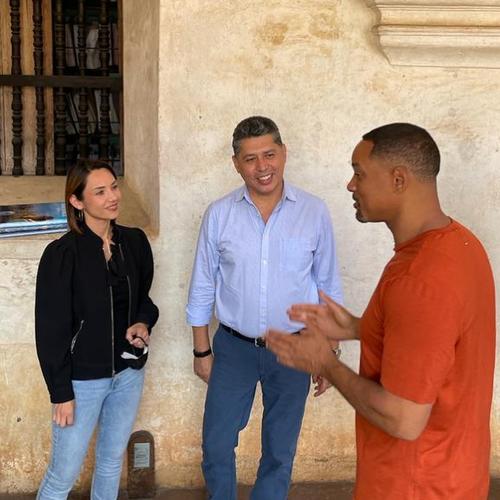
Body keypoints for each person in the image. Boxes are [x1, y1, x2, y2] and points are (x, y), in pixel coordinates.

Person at [266, 122, 496, 499]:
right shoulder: (461, 245)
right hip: (457, 474)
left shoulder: (421, 278)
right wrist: (360, 328)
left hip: (414, 485)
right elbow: (436, 341)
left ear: (398, 180)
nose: (350, 185)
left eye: (359, 173)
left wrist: (326, 364)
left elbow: (403, 419)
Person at [186, 116, 343, 499]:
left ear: (284, 153)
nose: (262, 167)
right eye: (250, 158)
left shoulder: (314, 211)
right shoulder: (219, 214)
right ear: (236, 164)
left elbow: (327, 284)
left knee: (279, 449)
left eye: (269, 154)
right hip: (233, 348)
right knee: (217, 444)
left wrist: (330, 349)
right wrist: (201, 351)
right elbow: (203, 284)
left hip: (294, 348)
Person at [35, 159, 159, 499]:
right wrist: (61, 392)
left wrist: (142, 322)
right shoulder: (61, 255)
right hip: (81, 382)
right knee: (62, 475)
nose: (112, 197)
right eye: (100, 192)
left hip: (128, 374)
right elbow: (50, 331)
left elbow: (144, 301)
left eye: (114, 187)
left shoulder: (134, 243)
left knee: (110, 462)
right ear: (77, 201)